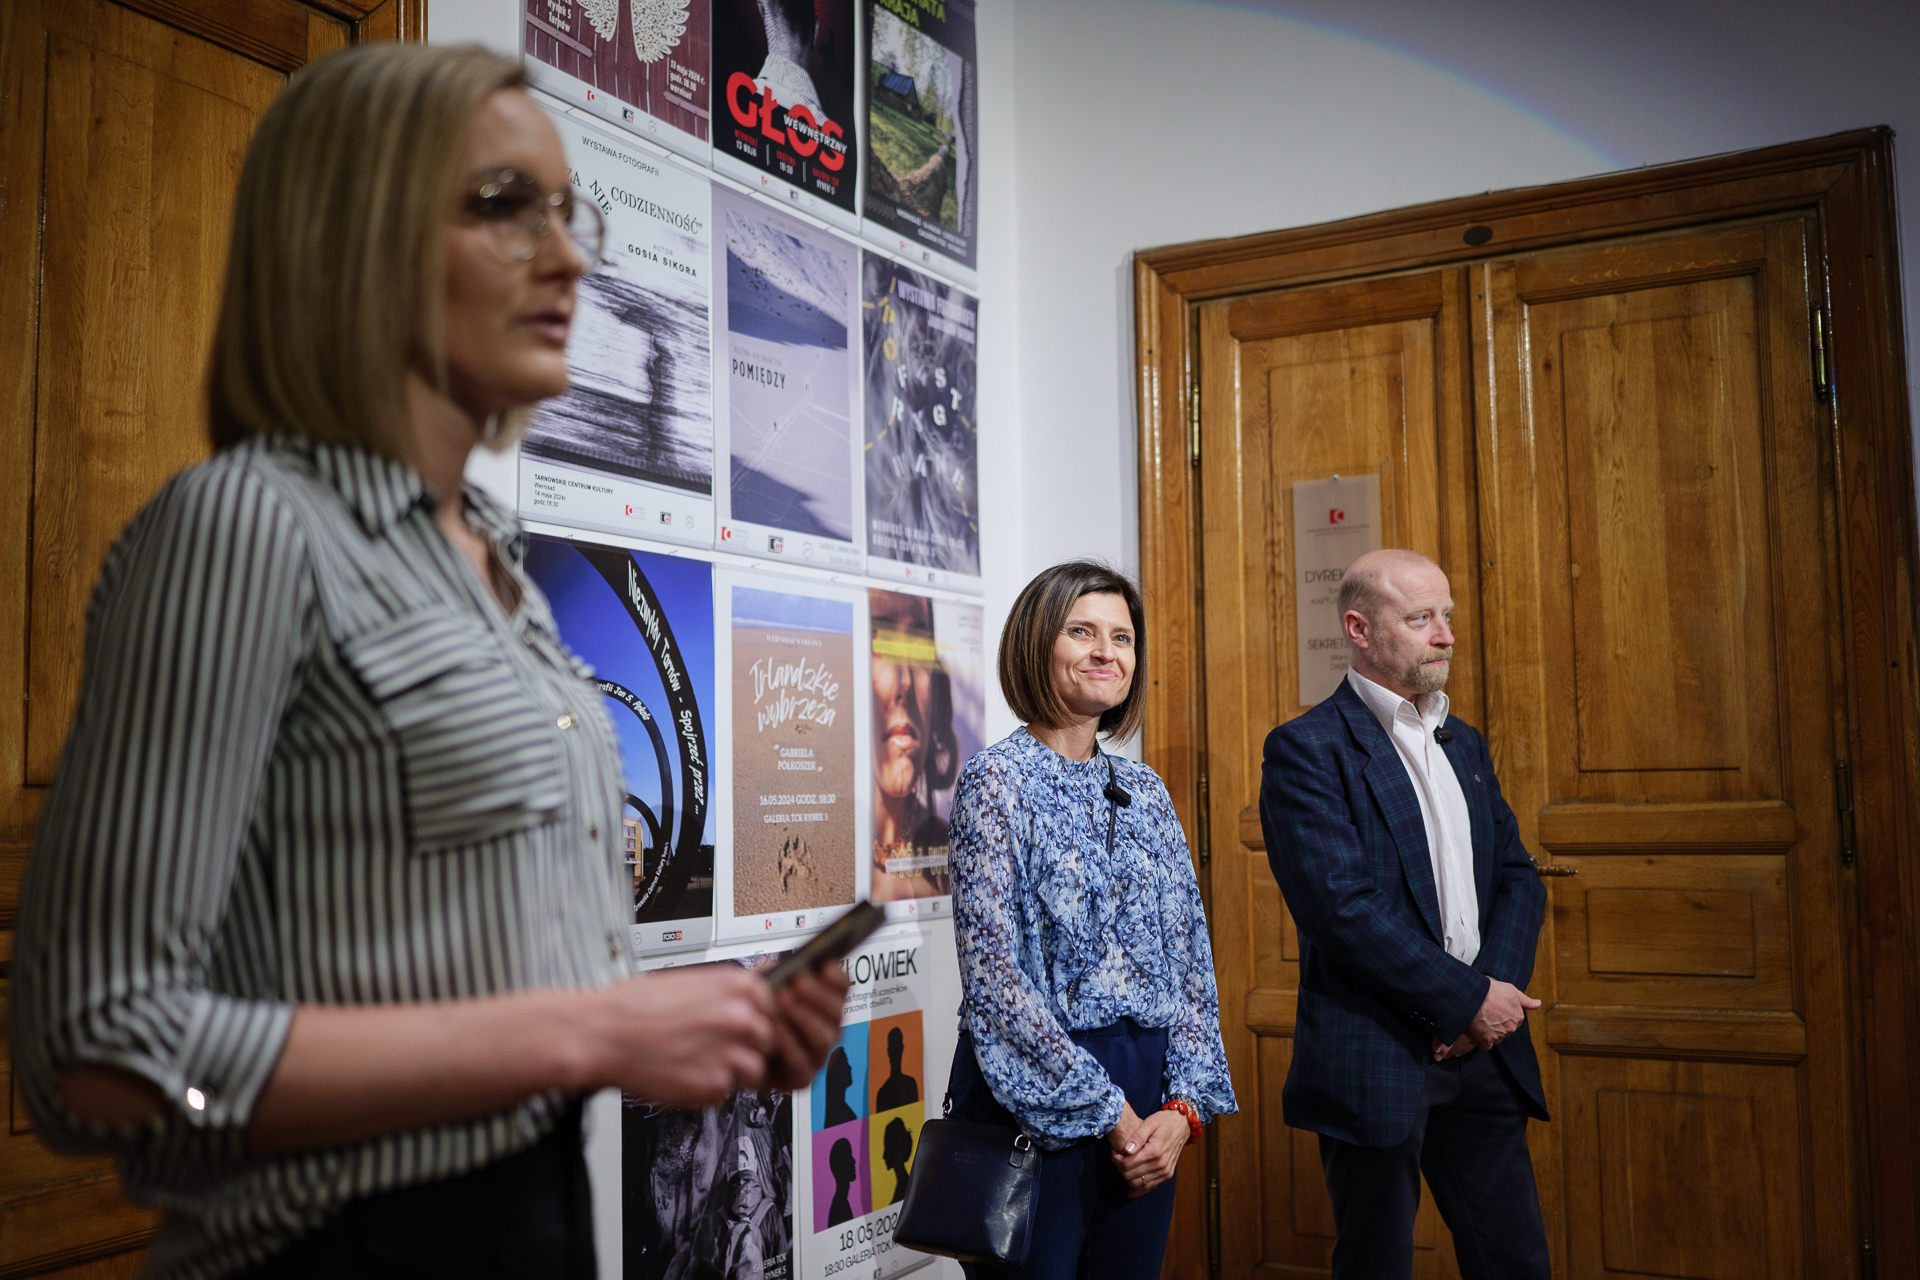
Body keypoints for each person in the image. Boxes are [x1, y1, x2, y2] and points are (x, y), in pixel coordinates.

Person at [8, 44, 848, 1280]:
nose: (569, 257)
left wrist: (711, 1026)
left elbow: (490, 989)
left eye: (570, 212)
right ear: (350, 234)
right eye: (504, 205)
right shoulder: (247, 524)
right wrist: (582, 1032)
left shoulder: (494, 559)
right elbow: (94, 1054)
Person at [1259, 549, 1550, 1279]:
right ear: (1359, 629)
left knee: (1515, 1261)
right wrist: (1465, 1001)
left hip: (1483, 1053)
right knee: (1376, 1266)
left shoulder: (1464, 741)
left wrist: (1491, 1003)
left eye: (1445, 615)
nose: (1445, 635)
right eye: (1421, 618)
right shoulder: (1307, 749)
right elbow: (1340, 908)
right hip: (1378, 1055)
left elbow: (1518, 876)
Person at [948, 560, 1237, 1280]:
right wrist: (1111, 1112)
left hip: (1150, 1097)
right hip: (1033, 1091)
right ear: (1036, 645)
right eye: (1082, 632)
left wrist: (1182, 1110)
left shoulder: (1145, 789)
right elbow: (995, 981)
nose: (1108, 652)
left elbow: (1191, 963)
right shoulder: (995, 780)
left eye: (1122, 638)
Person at [870, 590, 959, 901]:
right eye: (880, 645)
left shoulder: (960, 856)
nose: (905, 681)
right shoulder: (818, 857)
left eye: (919, 649)